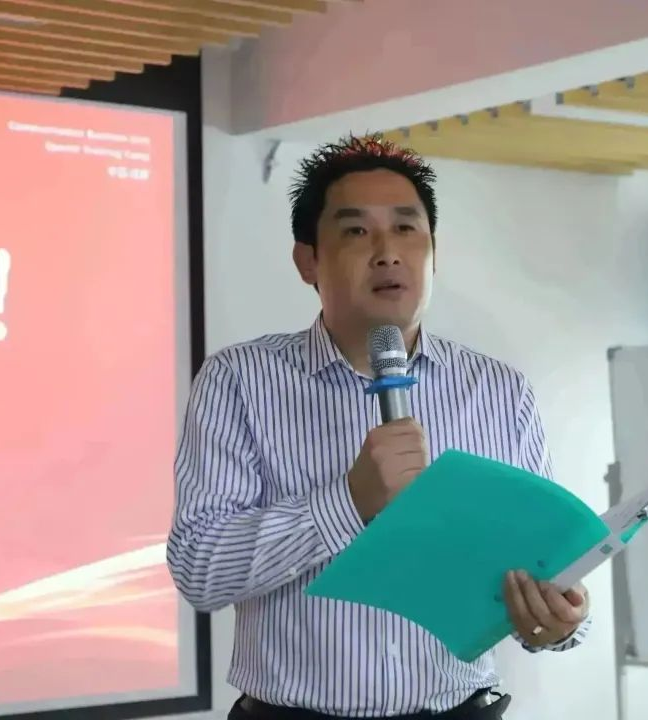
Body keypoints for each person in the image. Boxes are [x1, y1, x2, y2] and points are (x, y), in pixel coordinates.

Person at [167, 135, 590, 720]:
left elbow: (543, 563)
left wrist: (559, 622)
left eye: (407, 229)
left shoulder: (499, 390)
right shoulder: (239, 380)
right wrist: (348, 500)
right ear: (308, 261)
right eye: (357, 231)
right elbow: (200, 569)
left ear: (434, 252)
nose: (388, 252)